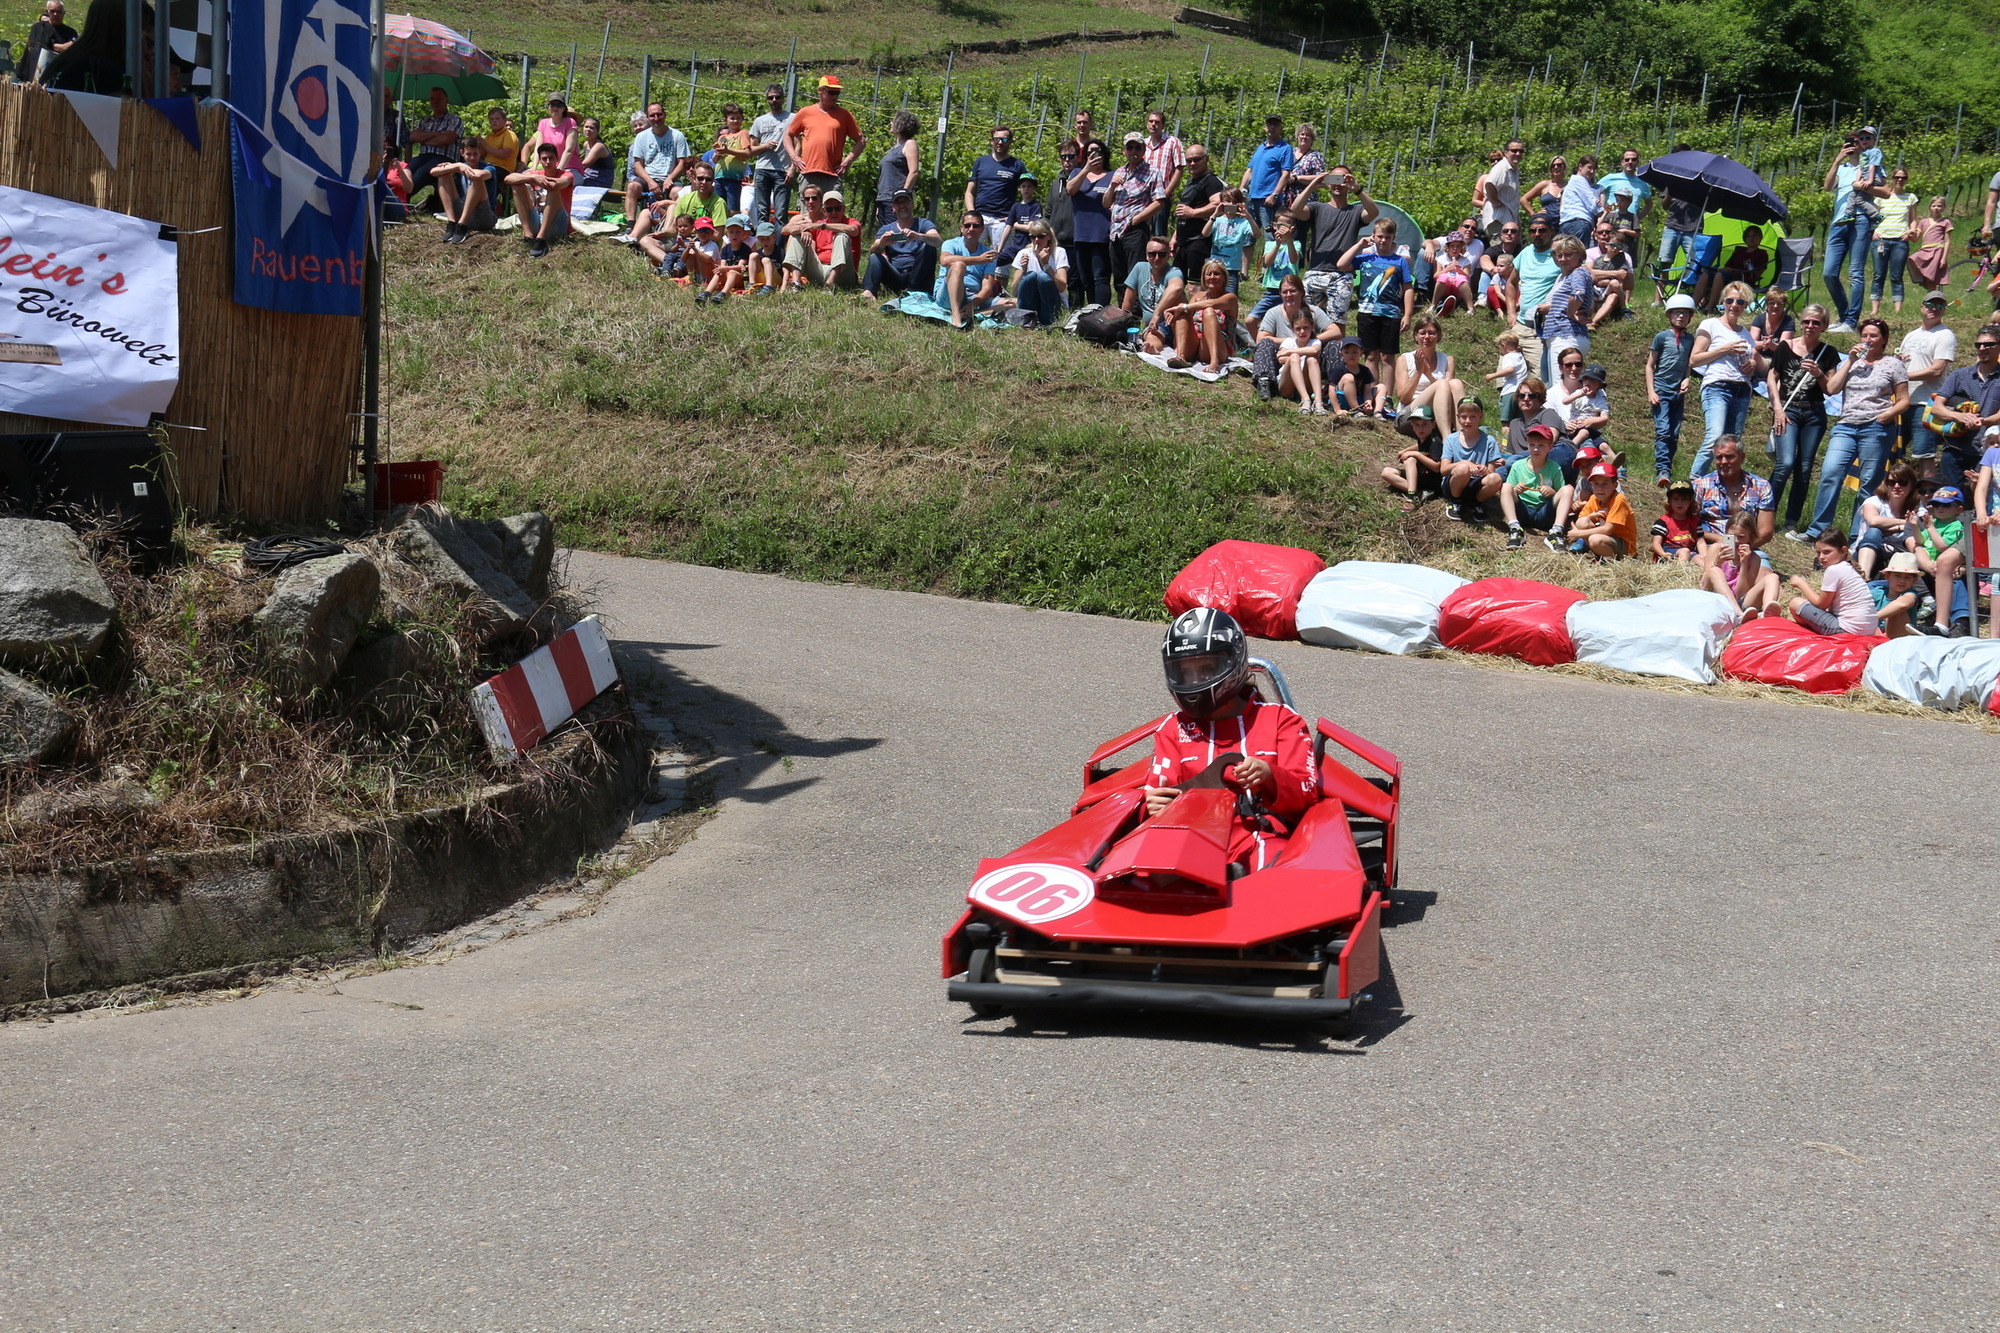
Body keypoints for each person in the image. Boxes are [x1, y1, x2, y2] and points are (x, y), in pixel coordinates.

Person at [1144, 608, 1317, 874]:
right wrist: (1152, 806)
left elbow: (1307, 794)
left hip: (1257, 832)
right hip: (1188, 835)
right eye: (1185, 672)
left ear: (1233, 662)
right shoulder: (1173, 728)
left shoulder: (1281, 720)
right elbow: (1158, 792)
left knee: (1269, 866)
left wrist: (1269, 776)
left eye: (1207, 669)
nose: (1195, 681)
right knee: (1144, 869)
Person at [1803, 317, 1911, 540]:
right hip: (1846, 426)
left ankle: (1857, 533)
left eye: (1874, 336)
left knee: (1869, 482)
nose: (1868, 340)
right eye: (1865, 335)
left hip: (1876, 427)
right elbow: (1831, 388)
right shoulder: (1852, 363)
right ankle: (1818, 530)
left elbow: (1903, 400)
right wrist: (1850, 361)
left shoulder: (1893, 364)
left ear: (1884, 340)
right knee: (1830, 473)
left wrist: (1888, 414)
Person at [1767, 302, 1841, 536]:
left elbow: (1830, 389)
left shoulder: (1828, 352)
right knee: (1785, 463)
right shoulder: (1786, 347)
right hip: (1788, 411)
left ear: (1824, 326)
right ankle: (1765, 512)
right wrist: (1777, 409)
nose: (1809, 326)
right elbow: (1772, 377)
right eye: (1806, 321)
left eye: (1815, 323)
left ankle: (1791, 520)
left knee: (1804, 468)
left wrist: (1818, 373)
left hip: (1814, 413)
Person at [1287, 165, 1378, 333]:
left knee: (1338, 324)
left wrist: (1357, 189)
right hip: (1315, 271)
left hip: (1341, 276)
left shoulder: (1355, 211)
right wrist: (1314, 183)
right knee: (1305, 321)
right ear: (1328, 183)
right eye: (1333, 179)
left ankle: (1336, 356)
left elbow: (1373, 212)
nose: (1337, 184)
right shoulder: (1317, 208)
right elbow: (1295, 210)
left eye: (1342, 180)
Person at [1689, 282, 1762, 476]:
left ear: (1746, 305)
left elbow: (1758, 364)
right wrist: (1724, 349)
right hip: (1717, 386)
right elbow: (1694, 359)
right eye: (1730, 300)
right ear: (1723, 302)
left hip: (1742, 389)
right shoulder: (1710, 324)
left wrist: (1753, 365)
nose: (1734, 305)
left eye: (1740, 301)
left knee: (1732, 444)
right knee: (1714, 436)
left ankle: (1722, 485)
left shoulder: (1746, 334)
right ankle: (1693, 483)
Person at [1821, 125, 1884, 331]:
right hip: (1838, 222)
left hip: (1860, 219)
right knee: (1829, 273)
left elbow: (1887, 192)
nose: (1854, 145)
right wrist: (1837, 160)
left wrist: (1864, 186)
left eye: (1858, 141)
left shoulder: (1870, 164)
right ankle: (1844, 316)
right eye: (1850, 142)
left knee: (1856, 272)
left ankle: (1851, 321)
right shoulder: (1842, 168)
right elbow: (1827, 186)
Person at [1340, 217, 1413, 388]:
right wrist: (1359, 245)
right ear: (1373, 236)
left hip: (1391, 313)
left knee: (1387, 356)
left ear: (1393, 238)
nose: (1383, 241)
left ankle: (1386, 396)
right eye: (1380, 236)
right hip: (1367, 313)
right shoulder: (1366, 258)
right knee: (1371, 355)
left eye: (1388, 237)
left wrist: (1407, 314)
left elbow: (1408, 287)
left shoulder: (1400, 261)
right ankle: (1371, 392)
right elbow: (1342, 264)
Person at [1930, 324, 2000, 494]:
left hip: (1989, 449)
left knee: (1986, 498)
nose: (1982, 348)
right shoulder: (1960, 375)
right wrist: (1958, 417)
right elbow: (1936, 408)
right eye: (1979, 345)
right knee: (1950, 497)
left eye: (1989, 345)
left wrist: (1983, 421)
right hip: (1955, 448)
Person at [1898, 294, 1959, 474]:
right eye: (1930, 304)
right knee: (1894, 453)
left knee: (1925, 455)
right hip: (1903, 403)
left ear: (1944, 310)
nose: (1934, 308)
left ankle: (1929, 498)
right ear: (1922, 307)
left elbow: (1937, 370)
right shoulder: (1911, 335)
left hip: (1926, 405)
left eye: (1940, 305)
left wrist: (1902, 376)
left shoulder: (1945, 335)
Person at [1253, 274, 1331, 409]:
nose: (1289, 295)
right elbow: (1262, 339)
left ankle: (1332, 387)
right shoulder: (1274, 314)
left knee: (1330, 347)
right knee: (1268, 345)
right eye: (1285, 292)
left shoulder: (1314, 312)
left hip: (1308, 371)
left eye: (1293, 291)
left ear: (1302, 292)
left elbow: (1335, 332)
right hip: (1284, 375)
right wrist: (1294, 344)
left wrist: (1308, 341)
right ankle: (1265, 382)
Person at [1646, 293, 1698, 484]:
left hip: (1678, 393)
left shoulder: (1690, 339)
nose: (1681, 316)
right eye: (1677, 312)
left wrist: (1687, 379)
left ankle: (1668, 466)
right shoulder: (1661, 337)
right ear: (1669, 315)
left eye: (1685, 313)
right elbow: (1650, 365)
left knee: (1674, 433)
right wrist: (1651, 391)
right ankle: (1662, 470)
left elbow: (1688, 364)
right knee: (1663, 430)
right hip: (1661, 390)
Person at [621, 105, 691, 246]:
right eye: (652, 116)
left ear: (665, 115)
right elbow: (637, 164)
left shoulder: (677, 135)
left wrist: (670, 178)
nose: (656, 118)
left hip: (670, 176)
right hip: (648, 176)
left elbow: (682, 162)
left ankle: (671, 228)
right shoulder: (641, 137)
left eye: (659, 114)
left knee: (677, 192)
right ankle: (631, 224)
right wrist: (650, 181)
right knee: (633, 186)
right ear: (648, 118)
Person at [1106, 133, 1167, 295]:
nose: (1134, 150)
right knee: (1119, 275)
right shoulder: (1119, 172)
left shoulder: (1152, 172)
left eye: (1138, 147)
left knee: (1135, 274)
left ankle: (1135, 314)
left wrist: (1138, 219)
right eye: (1130, 147)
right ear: (1123, 150)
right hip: (1115, 231)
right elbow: (1106, 203)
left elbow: (1159, 201)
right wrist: (1112, 187)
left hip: (1135, 230)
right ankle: (1121, 312)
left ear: (1144, 150)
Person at [1691, 435, 1776, 549]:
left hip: (1748, 549)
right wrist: (1721, 540)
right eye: (1719, 457)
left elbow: (1766, 532)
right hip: (1710, 547)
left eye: (1729, 457)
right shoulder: (1700, 485)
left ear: (1742, 457)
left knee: (1764, 568)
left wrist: (1739, 549)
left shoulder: (1761, 486)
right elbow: (1688, 525)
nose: (1724, 462)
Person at [1786, 530, 1878, 635]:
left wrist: (1801, 584)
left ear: (1843, 551)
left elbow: (1821, 604)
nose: (1821, 557)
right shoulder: (1849, 567)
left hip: (1847, 630)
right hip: (1868, 630)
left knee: (1795, 603)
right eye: (1818, 552)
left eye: (1827, 552)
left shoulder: (1834, 570)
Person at [785, 75, 865, 192]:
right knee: (808, 209)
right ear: (820, 91)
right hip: (808, 173)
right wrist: (794, 157)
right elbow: (787, 135)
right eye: (831, 92)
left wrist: (847, 161)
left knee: (832, 209)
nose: (835, 96)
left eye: (837, 93)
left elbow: (861, 141)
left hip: (832, 175)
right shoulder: (806, 112)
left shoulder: (844, 115)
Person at [1500, 423, 1574, 550]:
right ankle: (1515, 529)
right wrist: (1515, 490)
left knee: (1568, 489)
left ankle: (1556, 532)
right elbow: (1509, 492)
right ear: (1527, 445)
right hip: (1522, 510)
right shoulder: (1518, 466)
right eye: (1532, 445)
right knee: (1506, 486)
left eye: (1541, 445)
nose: (1536, 449)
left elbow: (1560, 493)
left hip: (1544, 512)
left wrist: (1552, 492)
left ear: (1550, 447)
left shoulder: (1555, 468)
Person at [1507, 212, 1560, 381]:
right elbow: (1510, 283)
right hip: (1520, 324)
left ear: (1552, 231)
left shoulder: (1560, 255)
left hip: (1542, 328)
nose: (1537, 234)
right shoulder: (1525, 253)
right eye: (1533, 230)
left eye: (1542, 230)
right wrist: (1511, 313)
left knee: (1540, 379)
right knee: (1507, 377)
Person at [1911, 486, 1970, 636]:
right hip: (1930, 567)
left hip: (1944, 569)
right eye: (1936, 505)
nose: (1939, 508)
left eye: (1946, 505)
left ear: (1958, 509)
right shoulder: (1935, 522)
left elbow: (1943, 547)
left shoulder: (1956, 526)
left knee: (1956, 581)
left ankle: (1956, 623)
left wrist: (1930, 528)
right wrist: (1914, 527)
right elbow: (1920, 541)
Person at [861, 189, 939, 301]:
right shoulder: (886, 229)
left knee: (929, 247)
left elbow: (937, 240)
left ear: (912, 204)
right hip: (895, 275)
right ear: (893, 207)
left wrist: (918, 236)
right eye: (898, 203)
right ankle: (869, 291)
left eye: (905, 201)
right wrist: (882, 243)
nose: (902, 205)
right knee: (875, 256)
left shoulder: (923, 224)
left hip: (918, 275)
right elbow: (873, 250)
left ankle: (913, 291)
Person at [1702, 511, 1783, 618]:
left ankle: (1768, 612)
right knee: (1714, 570)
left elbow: (1741, 593)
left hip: (1741, 602)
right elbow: (1705, 584)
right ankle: (1737, 613)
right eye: (1731, 536)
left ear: (1750, 537)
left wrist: (1744, 564)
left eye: (1741, 537)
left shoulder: (1754, 559)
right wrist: (1717, 563)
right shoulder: (1716, 549)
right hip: (1716, 597)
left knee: (1773, 577)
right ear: (1725, 533)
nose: (1736, 541)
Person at [1166, 260, 1240, 377]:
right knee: (1183, 313)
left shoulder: (1230, 298)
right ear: (1203, 277)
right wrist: (1175, 314)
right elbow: (1186, 318)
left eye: (1216, 274)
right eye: (1208, 274)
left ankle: (1214, 362)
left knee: (1208, 311)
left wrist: (1184, 306)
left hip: (1218, 347)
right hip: (1195, 345)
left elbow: (1211, 303)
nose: (1212, 277)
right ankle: (1180, 355)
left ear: (1224, 278)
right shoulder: (1198, 296)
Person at [1241, 115, 1295, 270]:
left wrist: (1275, 194)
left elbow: (1285, 174)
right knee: (1248, 234)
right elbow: (1249, 170)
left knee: (1270, 235)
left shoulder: (1285, 149)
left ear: (1281, 128)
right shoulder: (1260, 147)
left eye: (1275, 124)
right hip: (1252, 197)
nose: (1272, 127)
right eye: (1269, 124)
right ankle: (1244, 271)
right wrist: (1242, 189)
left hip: (1268, 199)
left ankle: (1267, 270)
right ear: (1265, 127)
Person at [1065, 140, 1115, 307]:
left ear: (1105, 154)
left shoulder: (1111, 176)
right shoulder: (1077, 173)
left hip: (1102, 235)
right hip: (1081, 235)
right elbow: (1070, 190)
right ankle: (1092, 312)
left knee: (1100, 277)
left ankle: (1102, 314)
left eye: (1098, 151)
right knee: (1086, 279)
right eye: (1090, 152)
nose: (1095, 155)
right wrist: (1086, 169)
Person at [1439, 396, 1505, 522]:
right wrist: (1465, 463)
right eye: (1464, 417)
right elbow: (1443, 469)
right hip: (1454, 483)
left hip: (1476, 483)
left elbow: (1491, 472)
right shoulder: (1451, 439)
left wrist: (1484, 470)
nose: (1468, 421)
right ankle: (1455, 501)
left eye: (1473, 417)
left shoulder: (1489, 441)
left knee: (1496, 478)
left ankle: (1476, 503)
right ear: (1458, 417)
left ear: (1481, 416)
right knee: (1463, 469)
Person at [782, 187, 861, 291]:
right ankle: (796, 283)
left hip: (844, 273)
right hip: (820, 270)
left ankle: (830, 284)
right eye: (829, 209)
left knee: (842, 236)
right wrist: (804, 231)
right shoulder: (812, 223)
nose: (833, 212)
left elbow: (853, 230)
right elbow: (784, 230)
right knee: (797, 237)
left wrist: (823, 226)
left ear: (843, 209)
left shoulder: (850, 222)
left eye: (837, 208)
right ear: (824, 210)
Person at [505, 140, 573, 260]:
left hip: (558, 223)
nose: (548, 162)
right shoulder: (536, 174)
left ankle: (541, 239)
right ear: (540, 160)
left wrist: (539, 180)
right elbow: (508, 179)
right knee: (517, 184)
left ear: (557, 158)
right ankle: (528, 235)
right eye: (544, 159)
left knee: (552, 187)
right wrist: (533, 177)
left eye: (551, 158)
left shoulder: (566, 174)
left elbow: (562, 182)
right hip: (538, 219)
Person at [1849, 464, 1919, 578]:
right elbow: (1873, 520)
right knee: (1874, 531)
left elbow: (1921, 527)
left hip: (1900, 558)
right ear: (1886, 484)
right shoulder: (1874, 501)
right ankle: (1863, 578)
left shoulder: (1917, 508)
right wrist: (1905, 523)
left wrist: (1890, 527)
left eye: (1902, 482)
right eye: (1892, 482)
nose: (1896, 486)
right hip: (1867, 553)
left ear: (1912, 485)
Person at [1538, 234, 1595, 374]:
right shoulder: (1568, 275)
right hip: (1564, 335)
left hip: (1566, 335)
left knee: (1561, 387)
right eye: (1559, 255)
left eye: (1568, 255)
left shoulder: (1578, 272)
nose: (1562, 259)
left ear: (1580, 255)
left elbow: (1578, 294)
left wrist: (1570, 313)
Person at [1391, 315, 1465, 423]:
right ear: (1416, 336)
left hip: (1439, 411)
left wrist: (1428, 374)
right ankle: (1447, 435)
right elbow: (1404, 399)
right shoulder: (1404, 359)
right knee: (1443, 384)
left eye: (1431, 333)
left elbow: (1450, 395)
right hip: (1410, 412)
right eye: (1422, 333)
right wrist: (1419, 372)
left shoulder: (1448, 360)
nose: (1427, 337)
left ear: (1438, 335)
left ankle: (1460, 432)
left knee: (1456, 383)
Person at [965, 126, 1027, 251]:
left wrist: (1014, 215)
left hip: (1002, 220)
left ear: (1010, 141)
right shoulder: (981, 162)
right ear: (991, 140)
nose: (1000, 143)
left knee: (1000, 262)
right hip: (979, 217)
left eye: (1004, 140)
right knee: (969, 255)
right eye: (996, 139)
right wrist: (972, 214)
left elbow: (1026, 193)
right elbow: (969, 191)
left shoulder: (1017, 165)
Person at [402, 87, 464, 212]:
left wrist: (424, 138)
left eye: (439, 99)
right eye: (432, 99)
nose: (435, 102)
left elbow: (446, 139)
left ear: (446, 100)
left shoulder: (455, 120)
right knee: (407, 169)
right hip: (424, 156)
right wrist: (437, 134)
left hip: (445, 158)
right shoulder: (425, 120)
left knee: (422, 172)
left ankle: (400, 202)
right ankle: (398, 198)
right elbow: (413, 136)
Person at [1169, 143, 1226, 278]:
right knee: (1175, 282)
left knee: (1195, 286)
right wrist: (1175, 237)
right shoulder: (1192, 181)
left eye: (1197, 159)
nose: (1192, 163)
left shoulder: (1211, 181)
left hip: (1199, 241)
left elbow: (1218, 204)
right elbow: (1184, 212)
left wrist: (1193, 213)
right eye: (1189, 160)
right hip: (1184, 241)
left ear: (1205, 159)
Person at [1869, 168, 1919, 315]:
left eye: (1903, 177)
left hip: (1900, 241)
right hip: (1881, 240)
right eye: (1897, 177)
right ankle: (1874, 309)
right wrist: (1873, 231)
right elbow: (1875, 216)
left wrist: (1911, 231)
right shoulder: (1882, 197)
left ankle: (1897, 309)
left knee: (1897, 276)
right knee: (1878, 274)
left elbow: (1913, 219)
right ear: (1892, 178)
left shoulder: (1910, 198)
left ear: (1906, 180)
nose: (1899, 180)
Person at [1125, 236, 1186, 355]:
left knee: (1179, 299)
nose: (1156, 258)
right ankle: (1153, 348)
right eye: (1152, 254)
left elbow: (1177, 287)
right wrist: (1122, 324)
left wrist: (1157, 314)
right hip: (1155, 328)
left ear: (1169, 255)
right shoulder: (1139, 268)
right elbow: (1128, 301)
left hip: (1177, 322)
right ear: (1147, 255)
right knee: (1151, 336)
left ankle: (1181, 348)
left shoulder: (1174, 271)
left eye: (1162, 254)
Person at [748, 84, 795, 230]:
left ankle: (778, 250)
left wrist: (793, 168)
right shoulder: (759, 121)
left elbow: (800, 144)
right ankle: (763, 248)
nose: (774, 100)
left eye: (777, 97)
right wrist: (765, 146)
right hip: (762, 169)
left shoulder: (793, 118)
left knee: (781, 214)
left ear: (783, 98)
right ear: (767, 99)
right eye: (771, 97)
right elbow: (751, 149)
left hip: (783, 170)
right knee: (762, 213)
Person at [1006, 222, 1070, 328]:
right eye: (1032, 237)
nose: (1036, 240)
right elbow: (1014, 290)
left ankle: (1050, 319)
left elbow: (1062, 287)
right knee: (1030, 276)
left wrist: (1046, 265)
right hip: (1030, 305)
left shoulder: (1059, 252)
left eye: (1041, 236)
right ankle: (1026, 319)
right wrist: (1023, 269)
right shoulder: (1023, 254)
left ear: (1049, 236)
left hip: (1052, 304)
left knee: (1043, 277)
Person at [432, 141, 497, 242]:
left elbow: (480, 175)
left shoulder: (489, 167)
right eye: (468, 154)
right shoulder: (460, 166)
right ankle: (452, 223)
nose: (472, 158)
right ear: (462, 153)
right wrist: (457, 166)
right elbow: (433, 172)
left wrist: (457, 168)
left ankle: (462, 226)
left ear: (480, 153)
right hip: (461, 209)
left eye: (475, 154)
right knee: (443, 175)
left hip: (484, 216)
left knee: (477, 179)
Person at [1245, 212, 1301, 329]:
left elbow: (1294, 259)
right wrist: (1277, 245)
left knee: (1290, 323)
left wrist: (1289, 240)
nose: (1284, 229)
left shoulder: (1296, 244)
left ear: (1293, 227)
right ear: (1275, 226)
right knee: (1250, 320)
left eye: (1287, 225)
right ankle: (1258, 343)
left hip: (1290, 291)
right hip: (1272, 290)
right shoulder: (1270, 244)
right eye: (1281, 225)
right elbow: (1267, 262)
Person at [1567, 465, 1636, 559]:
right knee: (1582, 522)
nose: (1600, 488)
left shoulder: (1619, 499)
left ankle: (1612, 561)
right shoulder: (1594, 498)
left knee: (1595, 540)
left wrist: (1577, 534)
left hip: (1624, 546)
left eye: (1605, 484)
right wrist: (1591, 516)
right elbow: (1580, 521)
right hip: (1605, 539)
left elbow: (1608, 529)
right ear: (1591, 485)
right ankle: (1601, 555)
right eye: (1596, 483)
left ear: (1615, 485)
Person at [1382, 405, 1445, 504]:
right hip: (1419, 476)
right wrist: (1405, 450)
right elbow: (1418, 446)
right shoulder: (1423, 438)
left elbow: (1437, 467)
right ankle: (1418, 492)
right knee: (1386, 472)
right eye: (1417, 425)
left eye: (1425, 424)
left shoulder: (1435, 441)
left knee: (1410, 459)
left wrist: (1416, 454)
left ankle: (1412, 495)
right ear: (1412, 426)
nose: (1421, 428)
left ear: (1433, 424)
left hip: (1430, 480)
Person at [1697, 225, 1768, 308]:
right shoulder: (1739, 251)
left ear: (1760, 237)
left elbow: (1756, 274)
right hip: (1728, 276)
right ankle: (1693, 305)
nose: (1751, 239)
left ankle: (1710, 307)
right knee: (1706, 274)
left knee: (1720, 275)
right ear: (1745, 238)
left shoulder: (1762, 254)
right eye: (1748, 236)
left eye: (1754, 236)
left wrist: (1734, 270)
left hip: (1743, 279)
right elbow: (1727, 266)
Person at [1142, 110, 1188, 226]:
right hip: (1143, 196)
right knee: (1141, 231)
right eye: (1151, 121)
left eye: (1157, 122)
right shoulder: (1142, 144)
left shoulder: (1172, 142)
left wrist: (1167, 193)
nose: (1153, 124)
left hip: (1161, 196)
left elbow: (1179, 168)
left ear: (1163, 125)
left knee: (1158, 232)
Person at [1203, 190, 1253, 295]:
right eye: (1228, 201)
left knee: (1230, 296)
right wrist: (1215, 214)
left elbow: (1256, 234)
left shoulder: (1243, 222)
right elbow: (1205, 233)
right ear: (1222, 202)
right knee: (1211, 295)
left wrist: (1248, 216)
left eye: (1234, 202)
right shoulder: (1217, 220)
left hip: (1232, 268)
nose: (1231, 204)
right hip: (1215, 266)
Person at [1475, 139, 1524, 240]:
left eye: (1521, 151)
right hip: (1498, 221)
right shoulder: (1502, 168)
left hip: (1507, 221)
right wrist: (1495, 202)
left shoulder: (1513, 169)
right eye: (1514, 150)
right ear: (1506, 153)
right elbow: (1490, 184)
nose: (1518, 153)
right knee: (1500, 252)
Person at [709, 104, 754, 213]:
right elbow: (715, 160)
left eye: (738, 118)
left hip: (733, 177)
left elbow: (747, 153)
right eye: (732, 118)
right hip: (719, 176)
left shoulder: (743, 133)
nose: (735, 121)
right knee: (719, 208)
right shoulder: (722, 138)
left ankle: (733, 228)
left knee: (732, 209)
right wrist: (717, 152)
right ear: (725, 120)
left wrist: (728, 151)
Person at [1872, 551, 1927, 638]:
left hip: (1900, 637)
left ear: (1914, 580)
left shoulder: (1910, 594)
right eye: (1897, 576)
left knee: (1896, 611)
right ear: (1887, 576)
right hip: (1875, 633)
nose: (1902, 581)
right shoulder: (1878, 592)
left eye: (1907, 577)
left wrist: (1872, 618)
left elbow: (1902, 604)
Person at [700, 216, 754, 304]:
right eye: (731, 232)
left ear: (743, 234)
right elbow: (723, 264)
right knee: (718, 273)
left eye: (738, 232)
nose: (734, 235)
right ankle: (707, 292)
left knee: (732, 272)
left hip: (738, 278)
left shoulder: (745, 248)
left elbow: (740, 267)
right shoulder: (725, 249)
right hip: (726, 276)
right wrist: (720, 268)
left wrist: (724, 269)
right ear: (727, 234)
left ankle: (723, 293)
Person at [1907, 196, 1954, 295]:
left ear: (1943, 208)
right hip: (1925, 250)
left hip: (1937, 251)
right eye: (1934, 206)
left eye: (1939, 206)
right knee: (1912, 259)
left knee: (1932, 277)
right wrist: (1909, 234)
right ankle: (1929, 290)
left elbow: (1947, 241)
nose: (1936, 208)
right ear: (1930, 207)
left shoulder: (1945, 222)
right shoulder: (1923, 222)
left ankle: (1933, 296)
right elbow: (1916, 239)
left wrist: (1944, 258)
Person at [22, 1, 76, 83]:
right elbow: (38, 46)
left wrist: (55, 46)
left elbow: (72, 50)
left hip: (58, 74)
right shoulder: (39, 27)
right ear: (47, 12)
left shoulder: (71, 32)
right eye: (52, 11)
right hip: (37, 74)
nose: (55, 14)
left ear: (64, 13)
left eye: (58, 12)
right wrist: (60, 47)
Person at [1331, 336, 1385, 417]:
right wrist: (1337, 409)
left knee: (1382, 386)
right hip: (1343, 400)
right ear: (1341, 354)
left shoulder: (1365, 370)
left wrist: (1368, 402)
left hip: (1360, 400)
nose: (1351, 355)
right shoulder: (1339, 369)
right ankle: (1356, 410)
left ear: (1361, 353)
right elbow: (1331, 389)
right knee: (1348, 378)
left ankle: (1377, 412)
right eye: (1347, 352)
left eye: (1354, 352)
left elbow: (1367, 391)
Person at [474, 107, 521, 200]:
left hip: (502, 169)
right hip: (488, 166)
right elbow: (483, 156)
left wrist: (486, 146)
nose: (494, 121)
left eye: (497, 119)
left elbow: (505, 154)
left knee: (486, 176)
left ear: (504, 120)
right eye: (491, 119)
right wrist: (479, 146)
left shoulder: (509, 134)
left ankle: (488, 207)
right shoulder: (489, 136)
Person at [998, 174, 1043, 267]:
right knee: (993, 261)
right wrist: (999, 249)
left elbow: (1030, 228)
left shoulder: (1036, 206)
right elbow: (1007, 227)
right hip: (1015, 248)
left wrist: (1015, 225)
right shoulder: (1016, 206)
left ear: (1034, 188)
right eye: (1023, 186)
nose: (1026, 189)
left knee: (1025, 272)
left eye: (1029, 186)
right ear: (1019, 188)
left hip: (1029, 248)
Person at [526, 96, 580, 175]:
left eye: (558, 105)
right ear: (548, 107)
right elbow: (538, 148)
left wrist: (558, 170)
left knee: (554, 184)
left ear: (564, 108)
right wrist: (534, 167)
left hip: (570, 169)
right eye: (552, 105)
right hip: (550, 170)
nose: (555, 108)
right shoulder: (543, 123)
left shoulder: (570, 122)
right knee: (521, 181)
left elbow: (569, 150)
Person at [1651, 482, 1703, 562]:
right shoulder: (1663, 522)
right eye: (1675, 499)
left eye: (1684, 499)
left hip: (1690, 552)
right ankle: (1679, 573)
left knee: (1700, 559)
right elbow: (1656, 543)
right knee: (1684, 552)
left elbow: (1701, 543)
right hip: (1668, 553)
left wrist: (1705, 557)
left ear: (1690, 502)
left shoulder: (1695, 521)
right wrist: (1663, 554)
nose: (1680, 503)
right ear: (1669, 501)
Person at [1557, 154, 1603, 244]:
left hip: (1565, 223)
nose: (1592, 171)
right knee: (1579, 256)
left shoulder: (1570, 183)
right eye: (1589, 168)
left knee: (1567, 255)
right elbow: (1593, 206)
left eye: (1594, 169)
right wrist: (1600, 208)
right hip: (1579, 223)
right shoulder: (1580, 180)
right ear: (1580, 166)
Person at [670, 163, 729, 229]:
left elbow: (718, 234)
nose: (704, 182)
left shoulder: (719, 203)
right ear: (694, 179)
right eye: (700, 178)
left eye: (708, 179)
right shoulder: (684, 199)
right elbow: (674, 228)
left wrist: (693, 232)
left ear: (713, 181)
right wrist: (662, 234)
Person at [1488, 330, 1528, 424]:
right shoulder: (1520, 356)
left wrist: (1493, 375)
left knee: (1506, 422)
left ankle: (1505, 438)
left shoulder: (1508, 357)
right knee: (1519, 421)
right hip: (1520, 393)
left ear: (1504, 345)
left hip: (1509, 392)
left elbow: (1510, 369)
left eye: (1499, 346)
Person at [573, 118, 613, 191]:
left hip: (601, 179)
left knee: (571, 182)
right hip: (589, 175)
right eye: (586, 127)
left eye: (591, 128)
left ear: (597, 131)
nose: (588, 130)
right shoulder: (586, 144)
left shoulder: (599, 146)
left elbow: (584, 165)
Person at [748, 222, 781, 294]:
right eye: (762, 239)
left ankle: (769, 286)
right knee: (753, 255)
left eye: (768, 238)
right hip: (761, 278)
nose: (765, 242)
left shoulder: (779, 251)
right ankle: (751, 283)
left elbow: (785, 269)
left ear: (774, 237)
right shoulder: (758, 253)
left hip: (775, 280)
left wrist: (784, 285)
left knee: (765, 260)